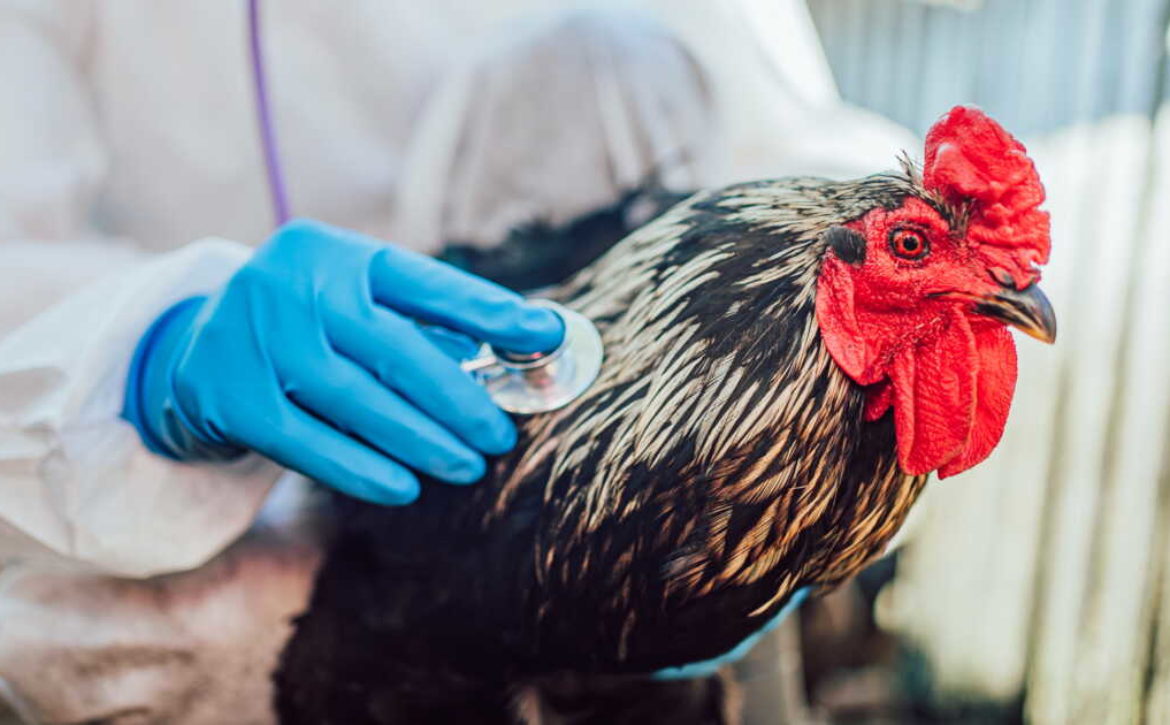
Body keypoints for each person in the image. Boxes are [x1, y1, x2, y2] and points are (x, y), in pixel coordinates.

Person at [0, 1, 914, 721]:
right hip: (182, 489)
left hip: (601, 482)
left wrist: (785, 478)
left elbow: (794, 154)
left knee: (604, 53)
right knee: (143, 645)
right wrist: (150, 350)